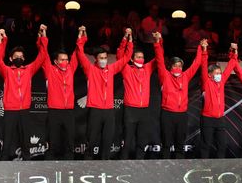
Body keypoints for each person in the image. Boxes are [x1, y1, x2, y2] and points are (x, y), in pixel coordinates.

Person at [76, 25, 132, 160]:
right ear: (96, 59)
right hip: (95, 110)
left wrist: (127, 38)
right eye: (101, 58)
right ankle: (88, 161)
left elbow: (126, 57)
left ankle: (105, 163)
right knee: (92, 138)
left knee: (107, 140)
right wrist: (81, 36)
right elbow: (80, 53)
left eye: (105, 57)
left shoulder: (111, 69)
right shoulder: (90, 69)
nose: (103, 60)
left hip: (109, 111)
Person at [0, 26, 46, 160]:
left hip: (24, 110)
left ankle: (27, 162)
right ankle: (4, 161)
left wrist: (42, 37)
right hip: (10, 110)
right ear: (11, 59)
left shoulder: (29, 69)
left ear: (24, 59)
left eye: (21, 57)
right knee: (8, 138)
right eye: (16, 57)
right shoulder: (6, 71)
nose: (19, 58)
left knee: (25, 140)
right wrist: (0, 41)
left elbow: (42, 57)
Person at [153, 33, 204, 158]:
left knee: (180, 144)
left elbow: (196, 63)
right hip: (167, 114)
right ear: (170, 66)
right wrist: (158, 42)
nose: (177, 68)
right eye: (175, 65)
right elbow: (159, 59)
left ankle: (179, 167)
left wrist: (201, 48)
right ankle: (164, 166)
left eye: (180, 66)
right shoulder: (165, 76)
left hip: (181, 114)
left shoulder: (185, 76)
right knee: (166, 143)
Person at [38, 25, 78, 160]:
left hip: (69, 111)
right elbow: (44, 54)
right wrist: (43, 35)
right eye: (62, 60)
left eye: (66, 59)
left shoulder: (71, 69)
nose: (65, 62)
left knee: (69, 141)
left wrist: (81, 36)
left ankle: (69, 165)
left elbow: (77, 53)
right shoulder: (50, 70)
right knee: (53, 141)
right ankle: (49, 165)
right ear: (56, 61)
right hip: (54, 111)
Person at [116, 29, 157, 159]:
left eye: (142, 57)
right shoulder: (127, 69)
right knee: (127, 140)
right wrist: (127, 39)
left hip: (144, 110)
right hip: (131, 110)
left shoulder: (148, 68)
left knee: (142, 140)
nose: (141, 59)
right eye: (138, 57)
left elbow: (159, 58)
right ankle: (123, 163)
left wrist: (158, 41)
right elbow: (120, 55)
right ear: (132, 60)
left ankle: (139, 163)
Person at [198, 39, 239, 159]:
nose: (219, 75)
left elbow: (231, 64)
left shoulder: (221, 81)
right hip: (207, 119)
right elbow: (204, 65)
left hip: (220, 119)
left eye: (220, 72)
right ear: (210, 74)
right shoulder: (206, 82)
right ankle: (204, 168)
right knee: (206, 145)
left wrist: (234, 52)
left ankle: (220, 168)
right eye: (216, 73)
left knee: (222, 145)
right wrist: (204, 50)